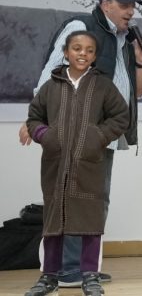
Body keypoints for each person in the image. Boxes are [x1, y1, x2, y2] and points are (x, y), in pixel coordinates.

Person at [20, 0, 142, 288]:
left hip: (101, 134)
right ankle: (67, 269)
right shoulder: (82, 27)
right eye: (124, 5)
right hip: (72, 131)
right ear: (106, 4)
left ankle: (83, 267)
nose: (130, 11)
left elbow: (137, 93)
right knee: (70, 196)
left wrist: (141, 61)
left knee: (95, 198)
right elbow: (52, 71)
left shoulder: (124, 40)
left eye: (133, 6)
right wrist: (36, 120)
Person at [23, 31, 130, 296]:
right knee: (54, 219)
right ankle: (49, 276)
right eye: (77, 48)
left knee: (90, 219)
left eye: (89, 50)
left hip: (89, 163)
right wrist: (45, 135)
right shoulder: (52, 86)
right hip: (55, 164)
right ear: (66, 52)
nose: (83, 53)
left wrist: (98, 137)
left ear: (94, 56)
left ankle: (90, 276)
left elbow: (120, 116)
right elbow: (34, 117)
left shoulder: (103, 86)